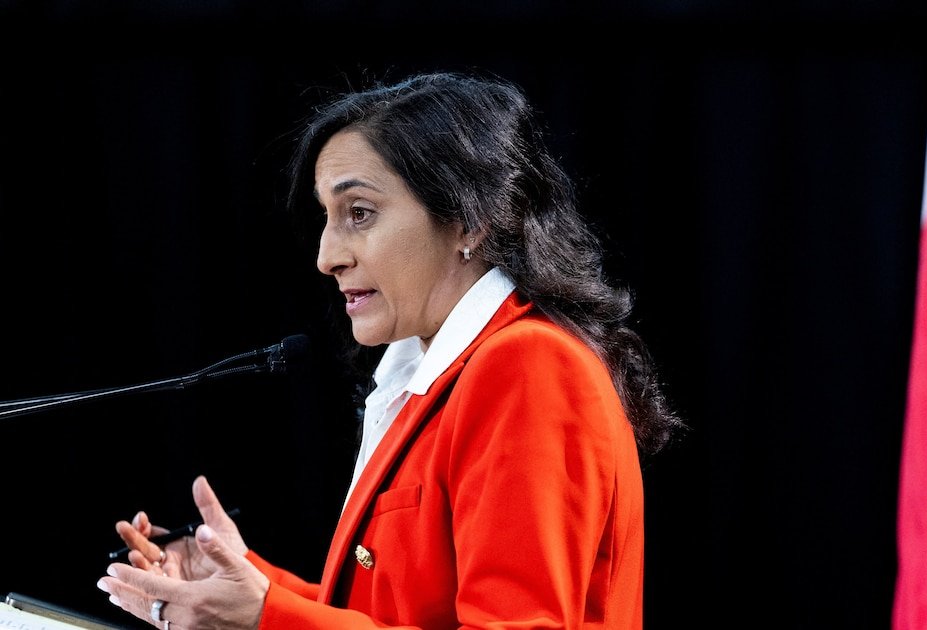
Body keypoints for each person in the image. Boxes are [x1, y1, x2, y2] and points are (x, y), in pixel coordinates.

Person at [95, 70, 684, 629]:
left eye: (359, 213)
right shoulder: (437, 373)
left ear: (469, 220)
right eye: (327, 217)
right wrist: (247, 586)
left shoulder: (528, 364)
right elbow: (397, 614)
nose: (327, 257)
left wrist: (266, 616)